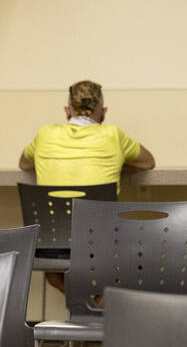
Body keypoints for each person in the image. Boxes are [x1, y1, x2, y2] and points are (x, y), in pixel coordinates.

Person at [19, 79, 156, 294]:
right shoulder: (113, 135)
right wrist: (117, 162)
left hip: (51, 246)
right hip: (101, 245)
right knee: (113, 267)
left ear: (67, 111)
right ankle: (94, 309)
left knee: (53, 271)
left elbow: (24, 163)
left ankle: (83, 307)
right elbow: (148, 162)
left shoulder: (45, 134)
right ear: (104, 112)